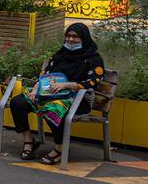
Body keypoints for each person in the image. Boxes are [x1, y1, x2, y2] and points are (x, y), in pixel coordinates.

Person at [9, 23, 105, 165]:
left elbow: (93, 83)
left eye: (75, 37)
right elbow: (45, 75)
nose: (71, 40)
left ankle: (60, 148)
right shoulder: (60, 55)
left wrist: (66, 85)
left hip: (78, 99)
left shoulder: (93, 59)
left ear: (84, 38)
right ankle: (29, 140)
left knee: (53, 110)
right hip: (49, 94)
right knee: (18, 102)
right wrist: (36, 89)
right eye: (68, 36)